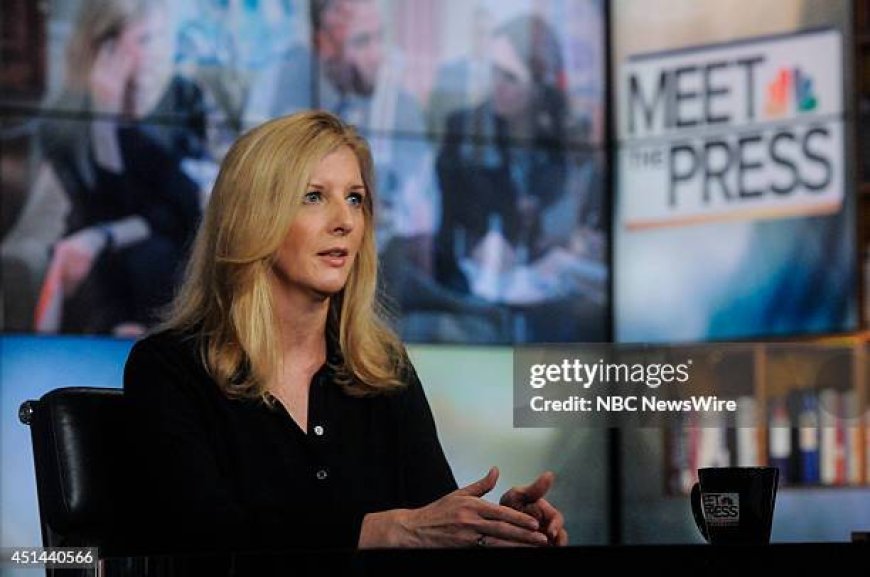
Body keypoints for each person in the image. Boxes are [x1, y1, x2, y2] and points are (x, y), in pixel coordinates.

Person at [122, 111, 568, 552]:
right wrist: (382, 531)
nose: (345, 221)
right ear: (252, 216)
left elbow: (429, 524)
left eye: (355, 198)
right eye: (314, 196)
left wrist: (492, 532)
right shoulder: (169, 369)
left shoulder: (382, 369)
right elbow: (205, 539)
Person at [1, 0, 206, 334]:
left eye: (162, 37)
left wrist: (102, 236)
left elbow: (181, 207)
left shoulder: (182, 97)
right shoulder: (68, 115)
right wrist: (104, 119)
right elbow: (97, 205)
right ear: (104, 48)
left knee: (149, 253)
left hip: (162, 249)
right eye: (145, 40)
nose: (158, 53)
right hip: (101, 260)